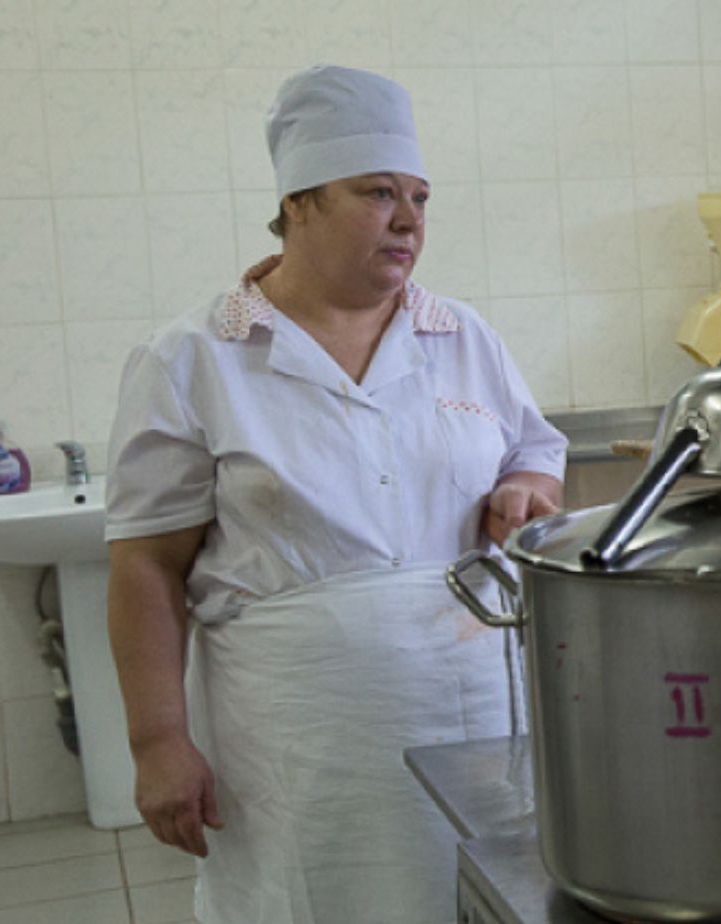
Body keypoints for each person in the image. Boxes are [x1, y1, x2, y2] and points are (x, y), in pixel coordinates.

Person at [103, 66, 566, 923]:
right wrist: (157, 740)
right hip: (298, 738)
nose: (409, 220)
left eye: (420, 198)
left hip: (474, 707)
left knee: (482, 897)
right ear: (299, 203)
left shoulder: (461, 336)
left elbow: (534, 452)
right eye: (378, 193)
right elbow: (146, 567)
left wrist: (526, 486)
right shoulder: (194, 358)